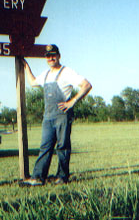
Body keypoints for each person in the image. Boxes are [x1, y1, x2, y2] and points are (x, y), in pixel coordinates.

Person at [23, 44, 92, 185]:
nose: (51, 58)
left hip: (62, 115)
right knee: (45, 147)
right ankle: (37, 178)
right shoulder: (46, 74)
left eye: (53, 55)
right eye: (48, 56)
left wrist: (73, 101)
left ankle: (62, 177)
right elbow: (32, 82)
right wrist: (24, 65)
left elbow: (86, 85)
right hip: (48, 116)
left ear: (59, 56)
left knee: (63, 146)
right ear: (45, 58)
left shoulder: (67, 72)